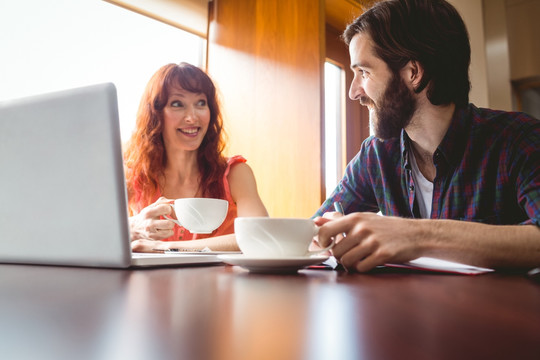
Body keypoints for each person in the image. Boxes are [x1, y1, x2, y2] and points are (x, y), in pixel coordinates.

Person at [314, 0, 540, 272]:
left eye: (363, 72)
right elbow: (317, 230)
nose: (354, 92)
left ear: (413, 73)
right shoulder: (376, 155)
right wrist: (328, 232)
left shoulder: (518, 139)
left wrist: (415, 235)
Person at [125, 62, 268, 252]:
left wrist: (166, 247)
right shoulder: (133, 176)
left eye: (201, 103)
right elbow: (88, 232)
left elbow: (260, 235)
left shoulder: (235, 173)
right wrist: (131, 227)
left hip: (224, 282)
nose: (192, 117)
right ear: (155, 114)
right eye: (177, 104)